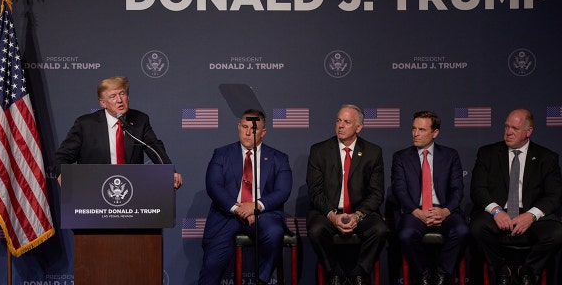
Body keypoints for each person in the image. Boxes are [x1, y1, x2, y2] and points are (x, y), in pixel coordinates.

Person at [198, 109, 292, 285]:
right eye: (244, 127)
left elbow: (283, 191)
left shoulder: (278, 158)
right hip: (227, 215)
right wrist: (238, 209)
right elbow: (214, 185)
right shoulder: (221, 154)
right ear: (238, 127)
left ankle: (262, 280)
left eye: (254, 129)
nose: (248, 132)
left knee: (274, 232)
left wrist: (255, 206)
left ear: (263, 132)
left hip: (262, 214)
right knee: (211, 264)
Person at [470, 108, 562, 285]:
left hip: (530, 213)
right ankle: (500, 268)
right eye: (506, 127)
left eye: (515, 128)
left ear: (529, 132)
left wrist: (530, 215)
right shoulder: (487, 153)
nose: (508, 132)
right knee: (477, 227)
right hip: (498, 212)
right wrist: (496, 211)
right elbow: (478, 189)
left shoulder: (547, 157)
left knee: (557, 233)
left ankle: (528, 269)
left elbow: (554, 195)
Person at [306, 104, 388, 285]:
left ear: (358, 127)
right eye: (338, 121)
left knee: (380, 229)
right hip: (328, 212)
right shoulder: (319, 151)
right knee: (316, 230)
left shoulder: (373, 152)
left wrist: (358, 215)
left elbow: (376, 193)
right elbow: (315, 191)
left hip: (360, 212)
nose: (340, 126)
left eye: (347, 122)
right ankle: (334, 272)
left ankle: (359, 272)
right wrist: (332, 215)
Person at [55, 76, 182, 188]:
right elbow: (62, 157)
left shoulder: (140, 120)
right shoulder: (85, 124)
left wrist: (169, 171)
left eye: (122, 94)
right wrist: (63, 174)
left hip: (131, 189)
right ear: (103, 103)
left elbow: (154, 147)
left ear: (128, 97)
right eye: (113, 96)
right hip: (94, 190)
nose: (119, 100)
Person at [391, 111, 469, 285]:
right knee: (406, 234)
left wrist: (445, 211)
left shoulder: (450, 155)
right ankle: (423, 272)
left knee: (462, 231)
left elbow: (457, 189)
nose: (415, 134)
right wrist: (417, 212)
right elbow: (400, 191)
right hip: (415, 211)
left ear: (435, 133)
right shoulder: (401, 157)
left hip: (444, 209)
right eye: (413, 129)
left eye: (421, 129)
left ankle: (443, 271)